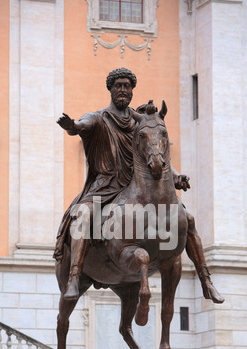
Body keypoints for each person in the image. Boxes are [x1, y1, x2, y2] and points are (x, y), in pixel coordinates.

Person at [55, 68, 224, 304]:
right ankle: (74, 276)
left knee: (188, 218)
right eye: (118, 86)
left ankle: (205, 278)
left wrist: (175, 176)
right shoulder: (99, 117)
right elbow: (81, 126)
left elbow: (154, 152)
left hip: (137, 186)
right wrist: (72, 125)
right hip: (105, 185)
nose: (123, 90)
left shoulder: (141, 122)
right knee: (83, 215)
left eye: (127, 86)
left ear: (132, 91)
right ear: (110, 89)